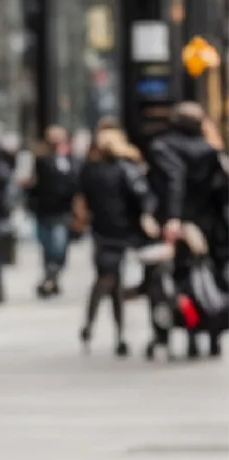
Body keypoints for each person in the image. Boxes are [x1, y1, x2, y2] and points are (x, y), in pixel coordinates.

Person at [149, 102, 229, 358]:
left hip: (183, 224)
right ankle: (212, 333)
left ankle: (186, 332)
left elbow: (174, 181)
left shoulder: (163, 147)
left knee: (180, 281)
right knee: (211, 279)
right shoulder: (210, 149)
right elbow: (221, 190)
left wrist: (172, 217)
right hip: (210, 225)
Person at [74, 126, 158, 358]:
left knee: (106, 281)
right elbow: (142, 197)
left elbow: (81, 200)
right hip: (122, 231)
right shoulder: (127, 168)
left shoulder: (91, 169)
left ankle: (94, 328)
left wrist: (82, 219)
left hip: (103, 230)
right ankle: (116, 334)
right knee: (111, 283)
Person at [28, 126, 79, 298]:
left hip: (64, 211)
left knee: (59, 246)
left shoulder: (72, 160)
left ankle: (52, 276)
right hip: (44, 210)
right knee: (47, 247)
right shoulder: (41, 160)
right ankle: (50, 278)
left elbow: (76, 182)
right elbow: (32, 184)